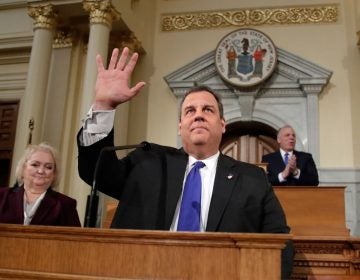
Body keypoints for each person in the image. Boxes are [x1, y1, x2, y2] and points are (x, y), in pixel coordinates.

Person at [77, 47, 293, 279]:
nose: (198, 115)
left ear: (222, 125)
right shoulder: (148, 162)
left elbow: (280, 243)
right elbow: (96, 171)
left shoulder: (253, 179)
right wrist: (103, 106)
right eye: (190, 111)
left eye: (207, 110)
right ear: (180, 127)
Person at [0, 143, 81, 226]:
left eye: (48, 167)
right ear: (23, 168)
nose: (41, 171)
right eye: (35, 165)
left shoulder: (65, 204)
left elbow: (75, 237)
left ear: (54, 173)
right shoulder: (2, 196)